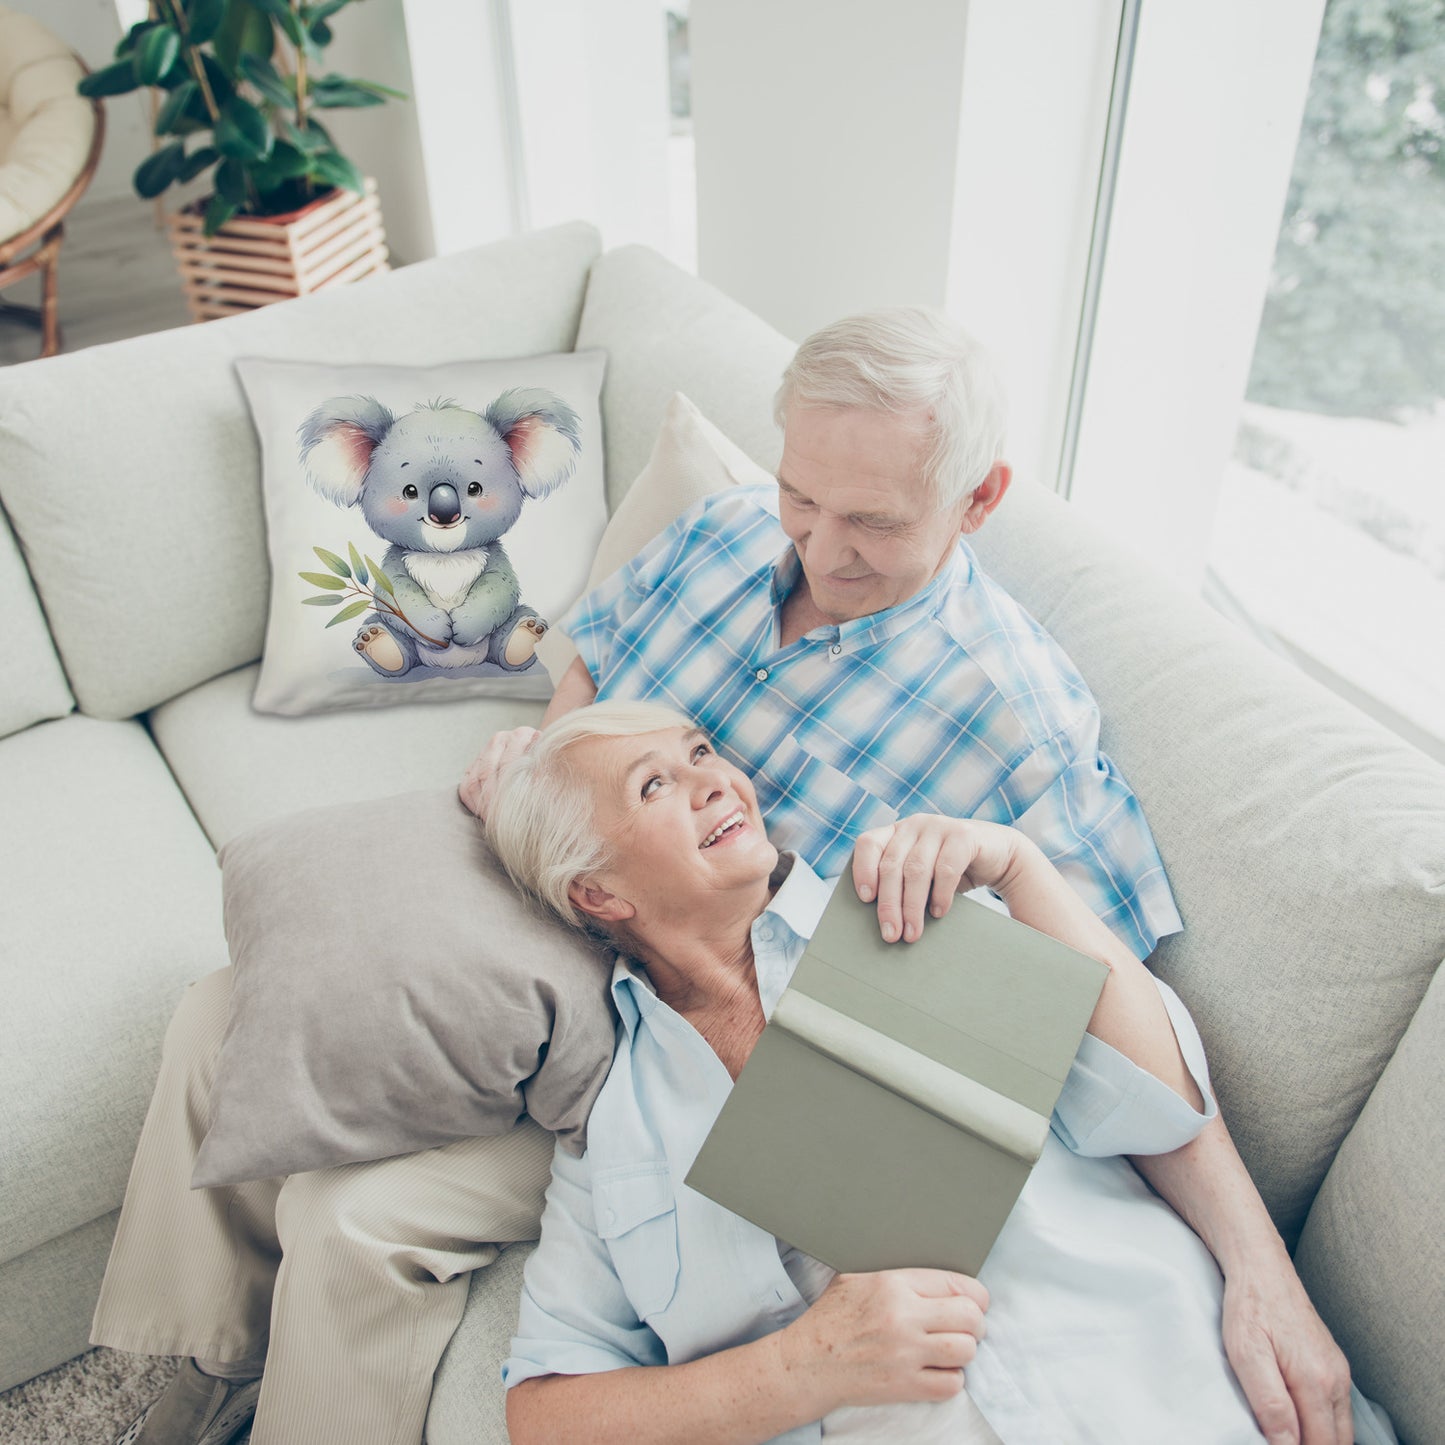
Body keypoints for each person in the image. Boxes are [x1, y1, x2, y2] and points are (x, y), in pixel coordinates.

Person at [94, 309, 1349, 1445]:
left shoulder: (1017, 726)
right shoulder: (726, 531)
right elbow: (593, 665)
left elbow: (1102, 1020)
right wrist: (546, 764)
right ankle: (193, 1362)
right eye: (804, 495)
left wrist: (1259, 1266)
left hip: (695, 1012)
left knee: (355, 1219)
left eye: (871, 520)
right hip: (580, 887)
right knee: (230, 1007)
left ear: (976, 501)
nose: (819, 544)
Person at [486, 701, 1386, 1445]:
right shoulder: (615, 1132)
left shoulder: (909, 907)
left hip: (1173, 1394)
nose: (715, 779)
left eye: (700, 752)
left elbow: (1158, 1106)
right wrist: (803, 1367)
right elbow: (545, 1414)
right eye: (655, 784)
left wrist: (1020, 869)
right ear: (597, 893)